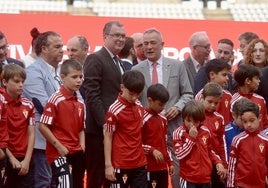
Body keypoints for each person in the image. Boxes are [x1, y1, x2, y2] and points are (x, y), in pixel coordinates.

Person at [132, 28, 193, 188]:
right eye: (145, 44)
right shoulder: (136, 70)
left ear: (162, 45)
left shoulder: (177, 66)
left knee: (176, 165)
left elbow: (188, 93)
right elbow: (133, 99)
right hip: (147, 131)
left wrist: (177, 108)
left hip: (173, 126)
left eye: (153, 43)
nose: (149, 47)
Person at [83, 21, 126, 188]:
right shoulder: (95, 58)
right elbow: (92, 95)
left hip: (116, 129)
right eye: (116, 35)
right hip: (98, 131)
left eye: (123, 36)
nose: (121, 39)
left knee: (111, 176)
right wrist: (104, 123)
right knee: (96, 176)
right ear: (105, 36)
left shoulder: (119, 62)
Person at [23, 31, 64, 188]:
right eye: (57, 46)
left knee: (53, 183)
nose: (62, 50)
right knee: (43, 183)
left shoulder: (57, 72)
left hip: (56, 140)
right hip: (41, 142)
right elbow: (46, 106)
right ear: (44, 48)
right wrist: (69, 113)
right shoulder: (33, 72)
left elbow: (78, 102)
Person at [39, 59, 85, 188]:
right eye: (74, 77)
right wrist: (58, 146)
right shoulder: (55, 99)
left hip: (77, 151)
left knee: (77, 184)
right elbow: (43, 126)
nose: (79, 80)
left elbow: (81, 128)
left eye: (80, 77)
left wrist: (82, 146)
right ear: (62, 77)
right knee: (64, 183)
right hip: (59, 152)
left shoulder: (80, 102)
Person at [104, 70, 147, 188]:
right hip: (121, 164)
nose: (134, 97)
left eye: (138, 94)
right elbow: (107, 137)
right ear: (122, 87)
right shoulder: (114, 110)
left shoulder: (139, 105)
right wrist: (108, 165)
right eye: (131, 93)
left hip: (140, 163)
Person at [173, 100, 225, 188]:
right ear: (183, 118)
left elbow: (210, 150)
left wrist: (218, 162)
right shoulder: (179, 133)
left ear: (201, 121)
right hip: (188, 178)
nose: (191, 124)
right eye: (188, 120)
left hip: (205, 178)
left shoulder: (205, 131)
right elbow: (179, 155)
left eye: (196, 122)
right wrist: (191, 138)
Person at [2, 64, 35, 187]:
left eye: (22, 81)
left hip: (25, 158)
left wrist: (27, 160)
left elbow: (31, 134)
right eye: (16, 81)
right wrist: (11, 158)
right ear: (4, 82)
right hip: (5, 157)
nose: (21, 85)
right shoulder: (1, 103)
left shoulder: (29, 105)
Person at [227, 101, 268, 188]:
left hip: (260, 185)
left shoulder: (265, 140)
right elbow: (232, 165)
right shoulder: (237, 140)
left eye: (252, 120)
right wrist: (230, 185)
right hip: (241, 184)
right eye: (245, 122)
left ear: (259, 118)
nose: (248, 125)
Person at [142, 83, 174, 188]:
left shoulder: (163, 119)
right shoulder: (142, 118)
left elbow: (165, 142)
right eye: (160, 104)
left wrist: (170, 162)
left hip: (162, 167)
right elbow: (136, 143)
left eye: (164, 105)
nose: (163, 108)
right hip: (148, 167)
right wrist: (152, 150)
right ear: (150, 100)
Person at [199, 82, 227, 188]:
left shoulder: (219, 118)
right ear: (202, 98)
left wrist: (224, 164)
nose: (212, 105)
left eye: (216, 103)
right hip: (199, 163)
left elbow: (221, 143)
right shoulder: (195, 116)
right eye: (209, 101)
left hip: (216, 163)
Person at [195, 58, 232, 125]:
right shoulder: (200, 95)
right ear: (212, 75)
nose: (227, 78)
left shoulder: (228, 95)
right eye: (224, 75)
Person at [231, 64, 268, 131]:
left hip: (261, 140)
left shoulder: (261, 100)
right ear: (248, 81)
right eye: (257, 78)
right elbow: (232, 124)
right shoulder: (233, 100)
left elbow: (265, 123)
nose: (259, 81)